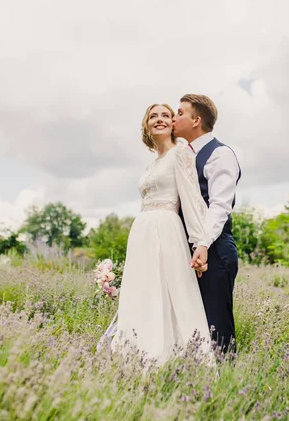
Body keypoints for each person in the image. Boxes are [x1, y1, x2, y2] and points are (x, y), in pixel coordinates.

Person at [99, 103, 213, 366]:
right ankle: (138, 358)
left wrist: (201, 243)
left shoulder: (181, 152)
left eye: (165, 115)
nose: (160, 119)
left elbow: (192, 200)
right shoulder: (152, 164)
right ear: (146, 125)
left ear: (173, 124)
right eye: (153, 116)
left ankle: (179, 361)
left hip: (166, 230)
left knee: (172, 293)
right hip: (142, 233)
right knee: (143, 293)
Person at [173, 94, 241, 353]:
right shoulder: (182, 155)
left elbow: (220, 206)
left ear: (196, 120)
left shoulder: (220, 154)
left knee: (217, 326)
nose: (174, 117)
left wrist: (202, 243)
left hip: (214, 250)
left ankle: (227, 385)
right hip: (190, 249)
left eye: (180, 113)